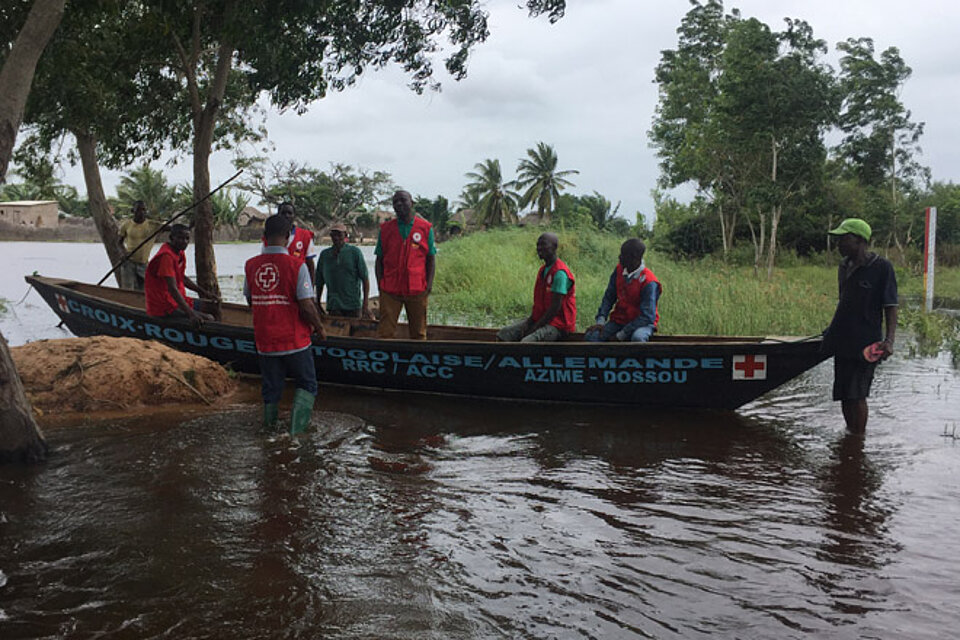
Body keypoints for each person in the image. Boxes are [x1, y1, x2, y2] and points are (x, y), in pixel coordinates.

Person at [245, 214, 327, 435]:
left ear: (264, 237)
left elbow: (250, 299)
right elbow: (307, 306)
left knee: (271, 389)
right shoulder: (296, 265)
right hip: (294, 340)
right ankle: (295, 435)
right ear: (289, 236)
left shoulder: (251, 265)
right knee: (307, 384)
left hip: (264, 340)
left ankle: (270, 431)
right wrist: (319, 328)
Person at [823, 218, 898, 434]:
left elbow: (891, 306)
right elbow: (844, 302)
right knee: (844, 393)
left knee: (858, 394)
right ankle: (850, 435)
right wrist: (831, 333)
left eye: (844, 239)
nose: (839, 245)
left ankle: (858, 441)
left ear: (860, 241)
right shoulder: (843, 266)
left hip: (867, 343)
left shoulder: (882, 268)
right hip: (843, 340)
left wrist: (889, 341)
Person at [375, 190, 436, 339]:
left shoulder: (425, 228)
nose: (399, 204)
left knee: (419, 333)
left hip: (417, 289)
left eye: (403, 200)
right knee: (385, 332)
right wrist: (381, 285)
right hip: (390, 289)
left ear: (412, 203)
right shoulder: (386, 229)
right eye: (395, 202)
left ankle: (418, 360)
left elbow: (431, 259)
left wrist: (428, 286)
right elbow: (379, 260)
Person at [497, 232, 577, 342]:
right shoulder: (543, 270)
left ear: (554, 247)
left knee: (526, 342)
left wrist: (534, 328)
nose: (539, 248)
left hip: (558, 326)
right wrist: (529, 322)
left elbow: (554, 309)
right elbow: (540, 305)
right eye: (538, 245)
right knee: (504, 334)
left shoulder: (560, 274)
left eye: (543, 245)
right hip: (541, 320)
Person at [585, 238, 661, 342]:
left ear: (634, 257)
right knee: (592, 336)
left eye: (623, 255)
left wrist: (621, 335)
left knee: (637, 338)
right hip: (620, 320)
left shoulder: (649, 282)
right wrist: (600, 321)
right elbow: (609, 297)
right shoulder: (619, 270)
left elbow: (647, 317)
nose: (619, 257)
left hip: (641, 324)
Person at [144, 224, 216, 326]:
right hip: (163, 305)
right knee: (209, 318)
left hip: (173, 300)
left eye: (187, 238)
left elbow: (182, 277)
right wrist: (191, 314)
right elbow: (172, 288)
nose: (184, 242)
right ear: (172, 238)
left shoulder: (179, 253)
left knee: (209, 307)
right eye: (180, 238)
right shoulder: (166, 257)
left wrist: (204, 292)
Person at [316, 222, 373, 319]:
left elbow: (365, 279)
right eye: (333, 234)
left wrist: (365, 303)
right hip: (334, 305)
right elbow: (319, 281)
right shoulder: (324, 255)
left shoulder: (354, 253)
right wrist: (317, 302)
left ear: (345, 235)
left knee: (354, 332)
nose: (336, 237)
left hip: (353, 305)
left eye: (339, 234)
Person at [117, 200, 163, 290]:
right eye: (138, 210)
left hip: (143, 264)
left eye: (143, 210)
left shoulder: (153, 225)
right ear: (133, 211)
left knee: (143, 290)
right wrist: (123, 252)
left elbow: (172, 229)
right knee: (128, 289)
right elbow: (119, 242)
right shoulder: (126, 225)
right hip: (129, 262)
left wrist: (189, 226)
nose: (141, 212)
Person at [270, 202, 318, 283]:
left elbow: (310, 264)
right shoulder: (271, 235)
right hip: (277, 283)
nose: (286, 216)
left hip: (298, 282)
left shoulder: (305, 236)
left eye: (289, 213)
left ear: (294, 216)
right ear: (278, 215)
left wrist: (311, 288)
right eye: (283, 213)